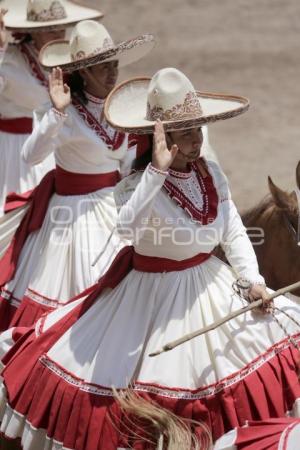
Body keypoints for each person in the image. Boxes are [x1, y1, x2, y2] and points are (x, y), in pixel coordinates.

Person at [0, 67, 299, 450]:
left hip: (210, 283)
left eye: (198, 130)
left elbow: (232, 230)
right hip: (152, 299)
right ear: (160, 136)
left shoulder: (211, 174)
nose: (196, 141)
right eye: (186, 132)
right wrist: (156, 171)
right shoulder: (135, 186)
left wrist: (252, 279)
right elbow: (126, 229)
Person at [0, 20, 154, 330]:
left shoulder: (121, 109)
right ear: (83, 72)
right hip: (73, 213)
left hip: (112, 205)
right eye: (102, 68)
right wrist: (56, 112)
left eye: (114, 65)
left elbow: (125, 163)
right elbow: (31, 156)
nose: (112, 73)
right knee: (83, 282)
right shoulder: (64, 113)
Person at [0, 0, 102, 217]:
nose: (58, 33)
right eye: (49, 30)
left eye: (61, 27)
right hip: (12, 149)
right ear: (33, 31)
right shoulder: (9, 59)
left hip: (52, 140)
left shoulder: (68, 59)